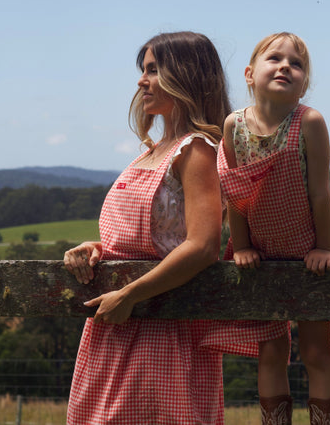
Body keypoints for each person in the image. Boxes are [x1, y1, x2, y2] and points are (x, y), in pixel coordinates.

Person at [63, 31, 232, 425]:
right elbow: (154, 235)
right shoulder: (151, 152)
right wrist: (97, 249)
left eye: (153, 70)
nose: (141, 81)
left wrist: (130, 294)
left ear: (186, 76)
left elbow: (204, 245)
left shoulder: (197, 150)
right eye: (143, 70)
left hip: (161, 331)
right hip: (113, 328)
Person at [217, 32, 330, 425]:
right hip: (261, 252)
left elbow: (320, 195)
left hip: (312, 249)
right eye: (274, 58)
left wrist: (325, 249)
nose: (285, 66)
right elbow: (235, 191)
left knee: (316, 352)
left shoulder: (308, 122)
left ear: (304, 84)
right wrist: (241, 245)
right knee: (272, 351)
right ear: (249, 73)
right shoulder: (234, 127)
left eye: (296, 64)